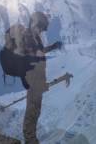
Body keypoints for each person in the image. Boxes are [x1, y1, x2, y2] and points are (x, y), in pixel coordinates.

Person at [21, 12, 62, 144]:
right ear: (35, 23)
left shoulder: (35, 37)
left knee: (36, 111)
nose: (41, 31)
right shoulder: (27, 36)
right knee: (32, 111)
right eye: (41, 28)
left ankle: (31, 139)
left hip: (38, 78)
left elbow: (39, 52)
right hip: (33, 79)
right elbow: (30, 55)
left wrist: (53, 47)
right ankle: (30, 140)